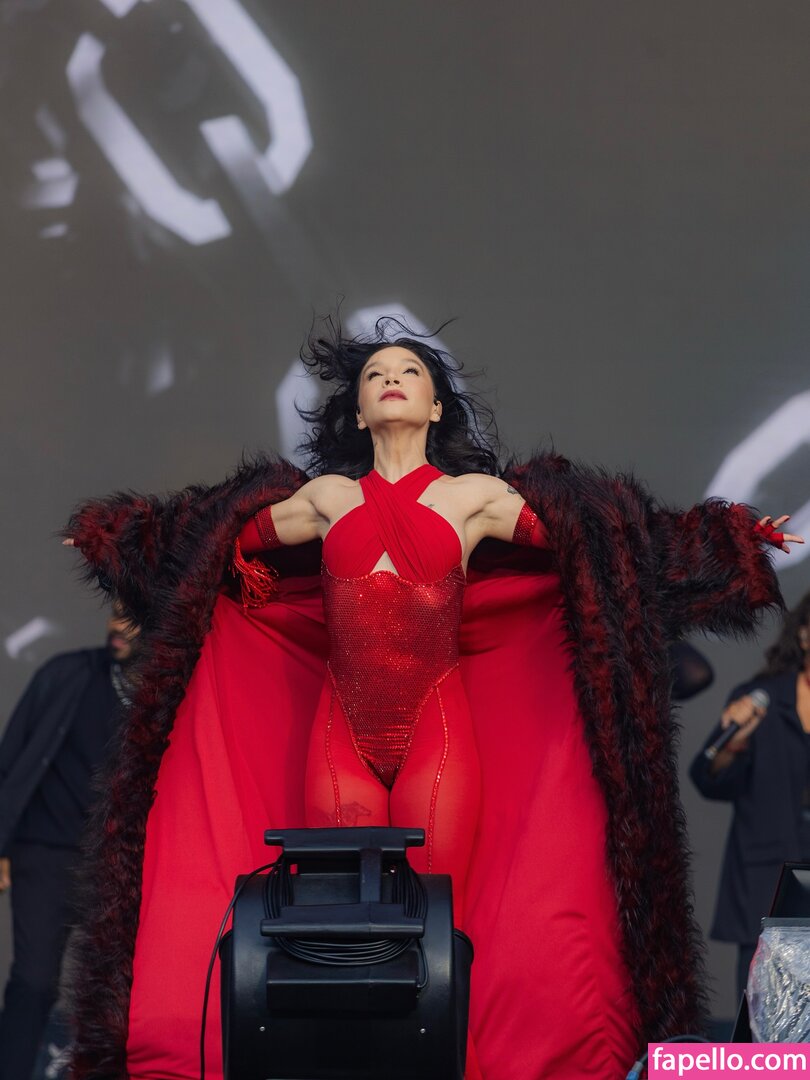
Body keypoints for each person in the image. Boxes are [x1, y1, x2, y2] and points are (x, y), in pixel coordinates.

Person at [64, 318, 801, 1080]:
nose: (392, 379)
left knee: (435, 933)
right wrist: (118, 538)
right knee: (344, 935)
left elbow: (610, 544)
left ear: (437, 407)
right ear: (357, 411)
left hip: (437, 742)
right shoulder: (326, 499)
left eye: (409, 372)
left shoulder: (473, 498)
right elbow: (206, 546)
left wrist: (730, 543)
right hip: (339, 742)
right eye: (376, 373)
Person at [0, 602, 139, 1080]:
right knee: (33, 983)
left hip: (116, 866)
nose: (116, 625)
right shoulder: (66, 674)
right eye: (115, 613)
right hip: (45, 853)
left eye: (131, 617)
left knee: (117, 994)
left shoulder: (162, 701)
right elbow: (9, 762)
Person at [690, 589, 810, 1005]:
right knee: (763, 1016)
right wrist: (735, 743)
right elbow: (708, 778)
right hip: (767, 880)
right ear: (804, 635)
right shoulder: (761, 700)